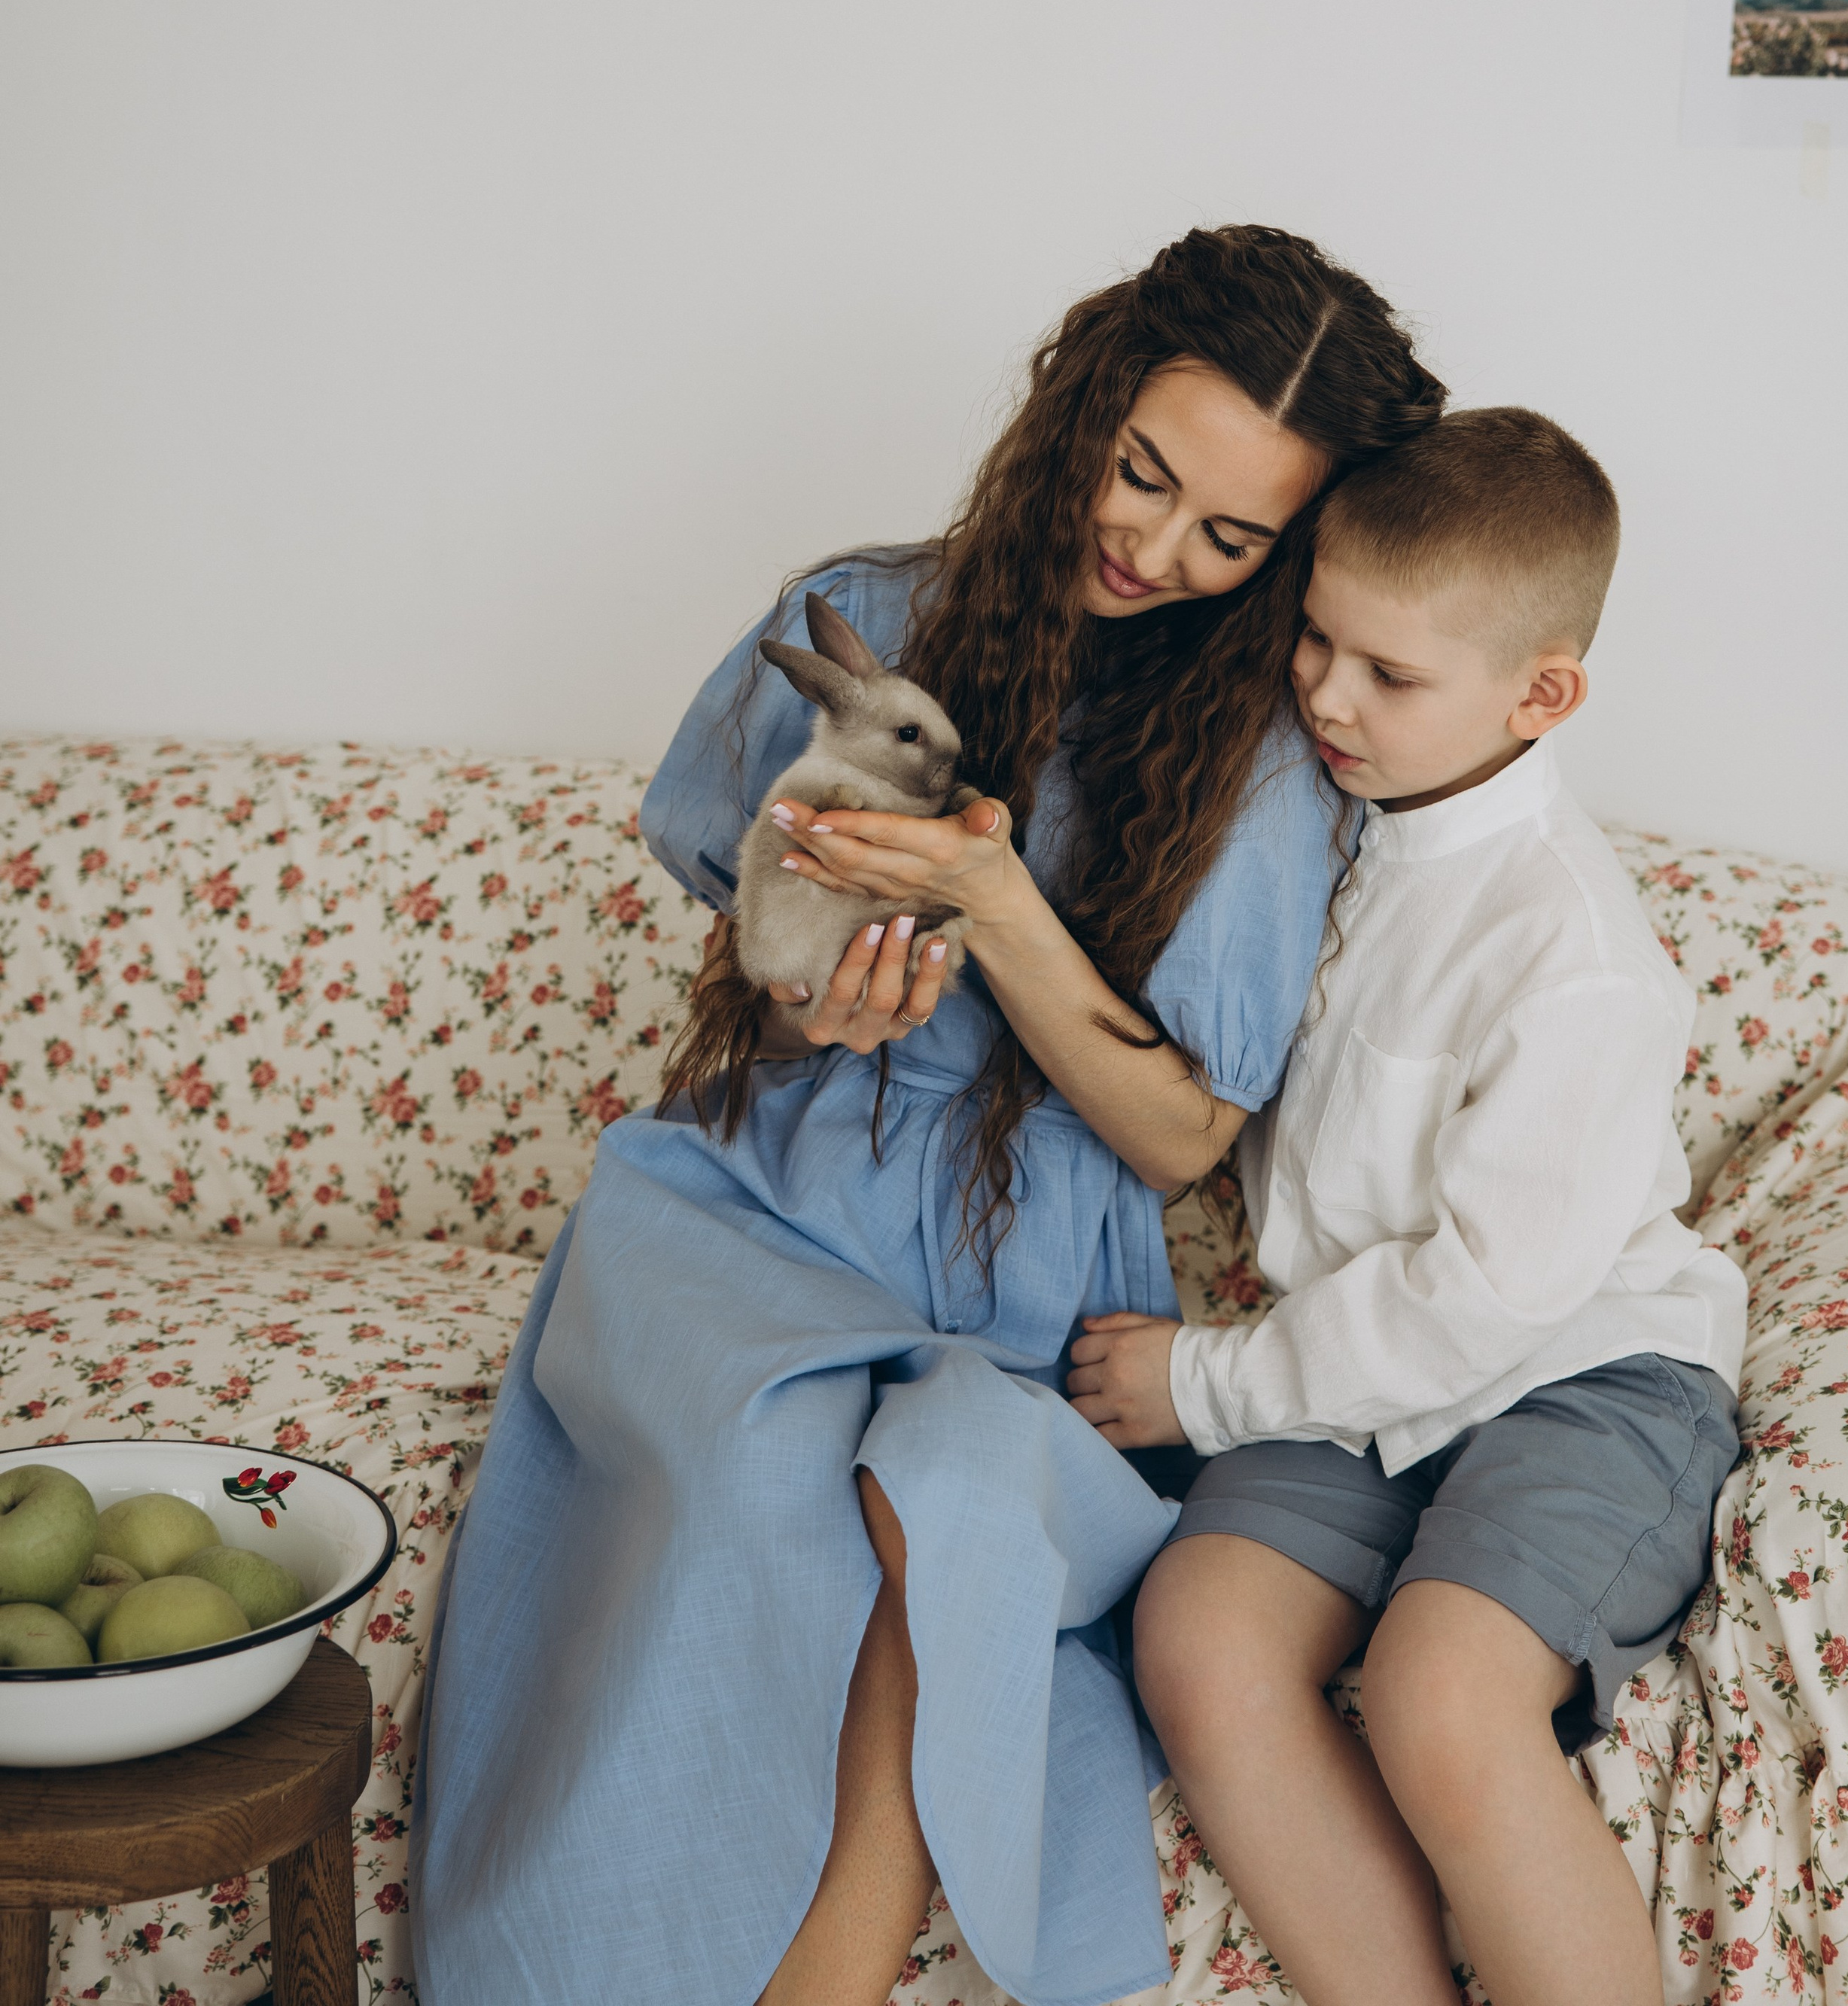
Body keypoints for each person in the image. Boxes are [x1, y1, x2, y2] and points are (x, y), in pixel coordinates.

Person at [409, 225, 1445, 2006]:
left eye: (1229, 536)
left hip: (1014, 1266)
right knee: (755, 1480)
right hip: (757, 1200)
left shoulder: (1265, 754)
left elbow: (1180, 1137)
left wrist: (993, 900)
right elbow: (758, 943)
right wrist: (811, 1002)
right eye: (1141, 472)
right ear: (1084, 397)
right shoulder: (866, 618)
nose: (1154, 550)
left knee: (947, 1490)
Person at [1069, 408, 1748, 2006]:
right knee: (1201, 1639)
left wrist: (1205, 1383)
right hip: (1359, 1373)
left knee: (1441, 1697)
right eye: (1315, 639)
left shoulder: (1569, 951)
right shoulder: (1310, 829)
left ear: (1540, 696)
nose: (1324, 695)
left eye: (1388, 673)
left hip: (1579, 1371)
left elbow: (1488, 1296)